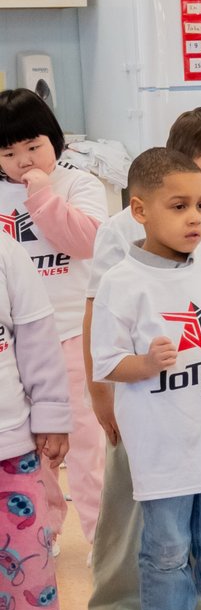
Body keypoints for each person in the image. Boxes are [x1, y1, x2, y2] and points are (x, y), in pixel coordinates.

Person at [83, 108, 201, 610]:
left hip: (199, 401)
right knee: (131, 508)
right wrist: (102, 395)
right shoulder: (119, 233)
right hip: (140, 399)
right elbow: (99, 314)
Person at [0, 88, 107, 550]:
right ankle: (45, 531)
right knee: (33, 447)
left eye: (33, 146)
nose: (23, 161)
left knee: (86, 445)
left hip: (72, 334)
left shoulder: (79, 184)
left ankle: (101, 538)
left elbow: (87, 243)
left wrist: (41, 194)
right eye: (9, 153)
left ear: (54, 139)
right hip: (16, 344)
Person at [0, 231, 71, 610]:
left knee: (26, 558)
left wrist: (52, 414)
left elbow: (38, 337)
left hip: (9, 439)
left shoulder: (6, 251)